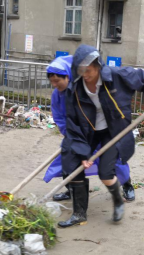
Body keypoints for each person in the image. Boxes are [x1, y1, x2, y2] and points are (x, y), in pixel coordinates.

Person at [60, 45, 144, 228]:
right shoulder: (75, 89)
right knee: (72, 163)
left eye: (88, 70)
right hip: (88, 131)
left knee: (106, 173)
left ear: (97, 65)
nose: (85, 74)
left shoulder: (116, 76)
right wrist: (83, 154)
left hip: (113, 130)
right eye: (81, 71)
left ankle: (118, 200)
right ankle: (79, 214)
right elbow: (72, 123)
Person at [43, 55, 134, 204]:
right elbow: (59, 117)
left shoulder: (85, 90)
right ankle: (72, 190)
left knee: (115, 162)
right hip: (77, 135)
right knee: (67, 161)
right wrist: (70, 134)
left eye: (58, 81)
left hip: (99, 133)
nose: (55, 85)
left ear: (68, 77)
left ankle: (127, 185)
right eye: (52, 82)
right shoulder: (57, 95)